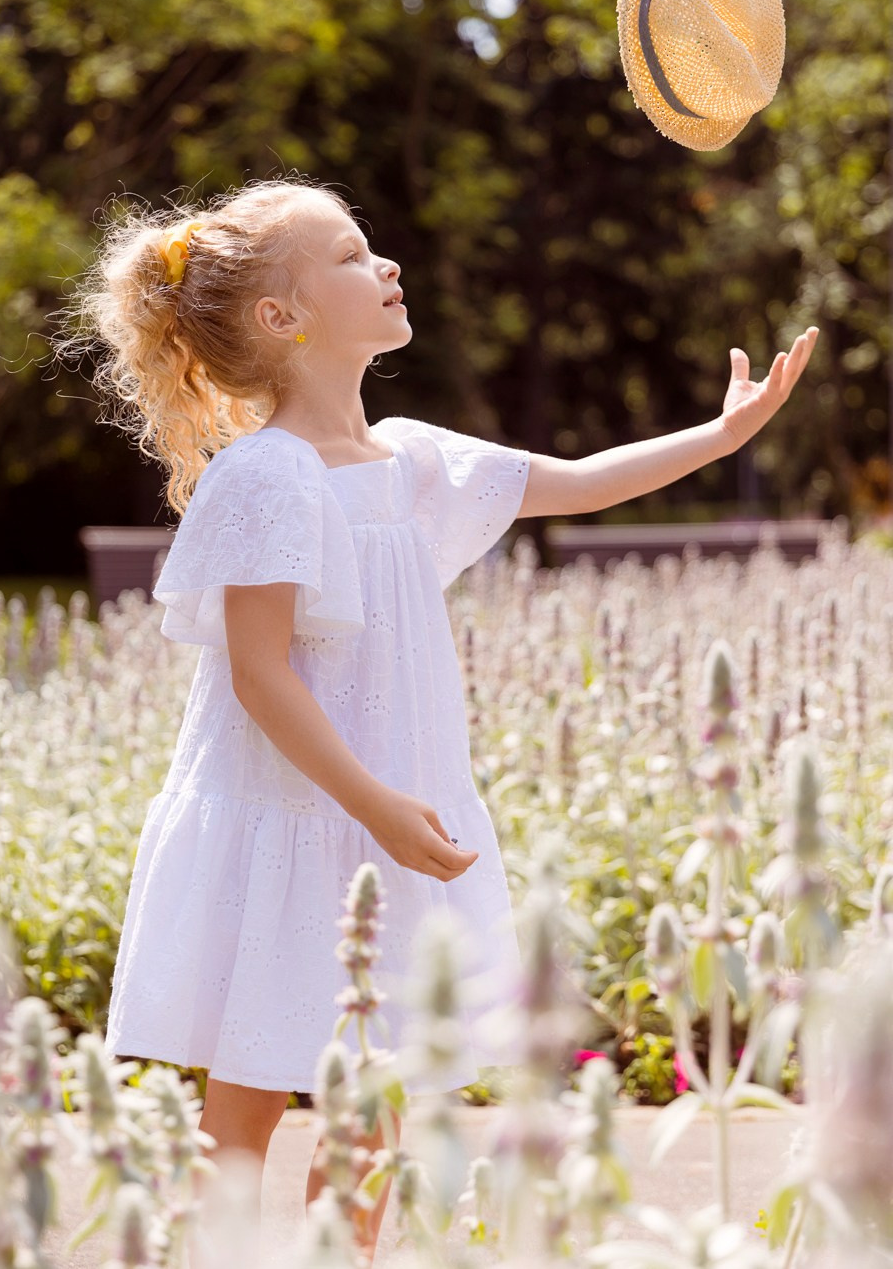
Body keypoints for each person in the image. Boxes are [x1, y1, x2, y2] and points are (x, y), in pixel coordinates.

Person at [68, 174, 816, 1260]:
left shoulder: (412, 460)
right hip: (302, 818)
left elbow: (578, 481)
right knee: (251, 1095)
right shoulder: (268, 478)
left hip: (394, 821)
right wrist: (371, 803)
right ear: (282, 319)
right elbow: (260, 677)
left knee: (379, 1091)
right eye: (352, 255)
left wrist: (721, 434)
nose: (387, 267)